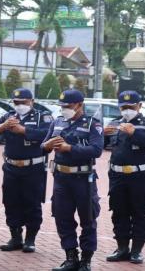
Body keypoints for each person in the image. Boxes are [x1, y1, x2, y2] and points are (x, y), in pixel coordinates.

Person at [42, 90, 103, 271]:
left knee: (88, 219)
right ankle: (70, 257)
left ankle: (86, 260)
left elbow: (96, 150)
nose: (64, 109)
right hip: (61, 178)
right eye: (62, 106)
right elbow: (43, 145)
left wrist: (70, 148)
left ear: (79, 105)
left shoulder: (93, 124)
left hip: (83, 179)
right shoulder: (58, 122)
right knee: (63, 218)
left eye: (68, 106)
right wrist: (47, 146)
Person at [0, 88, 52, 253]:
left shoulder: (42, 117)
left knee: (32, 203)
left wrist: (24, 131)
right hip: (11, 168)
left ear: (31, 101)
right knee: (11, 202)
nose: (20, 106)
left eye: (23, 102)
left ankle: (30, 239)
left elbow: (48, 134)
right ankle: (15, 237)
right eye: (16, 103)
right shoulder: (9, 116)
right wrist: (3, 126)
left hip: (33, 168)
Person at [104, 90, 145, 264]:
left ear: (139, 106)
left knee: (140, 213)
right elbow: (102, 146)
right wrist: (102, 136)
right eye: (124, 107)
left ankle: (136, 250)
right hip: (117, 176)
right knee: (119, 212)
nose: (127, 110)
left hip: (139, 176)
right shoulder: (114, 123)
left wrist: (134, 133)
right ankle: (122, 248)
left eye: (131, 107)